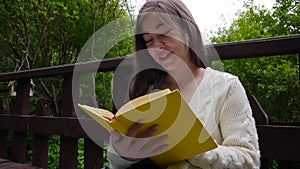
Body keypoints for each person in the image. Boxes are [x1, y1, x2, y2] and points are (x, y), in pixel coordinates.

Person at [107, 0, 260, 168]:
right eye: (148, 40)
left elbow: (249, 161)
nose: (157, 46)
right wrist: (125, 155)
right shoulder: (146, 90)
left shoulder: (226, 87)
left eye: (164, 34)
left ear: (187, 31)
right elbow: (114, 162)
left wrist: (192, 149)